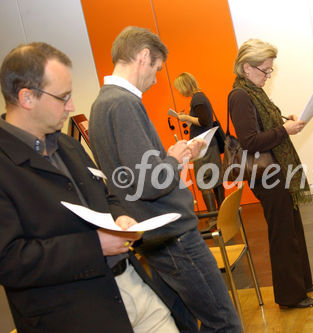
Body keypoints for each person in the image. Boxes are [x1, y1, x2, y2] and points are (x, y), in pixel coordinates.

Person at [0, 42, 189, 333]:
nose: (72, 107)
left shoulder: (67, 144)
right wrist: (95, 246)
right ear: (26, 97)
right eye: (63, 97)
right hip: (74, 314)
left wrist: (120, 219)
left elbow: (106, 193)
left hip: (133, 287)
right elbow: (10, 261)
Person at [88, 26, 242, 332]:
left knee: (180, 323)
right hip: (172, 233)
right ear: (144, 56)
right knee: (224, 323)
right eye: (157, 68)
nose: (156, 78)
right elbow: (150, 182)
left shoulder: (103, 103)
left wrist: (170, 157)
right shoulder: (123, 103)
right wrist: (174, 158)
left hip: (155, 235)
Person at [228, 38, 313, 308]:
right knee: (282, 233)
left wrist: (283, 123)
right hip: (266, 176)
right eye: (265, 70)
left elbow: (262, 125)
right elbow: (250, 141)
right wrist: (284, 131)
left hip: (277, 172)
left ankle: (300, 283)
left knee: (292, 227)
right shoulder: (240, 95)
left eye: (270, 70)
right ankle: (290, 296)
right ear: (247, 68)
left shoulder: (253, 92)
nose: (268, 75)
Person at [173, 72, 225, 214]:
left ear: (185, 86)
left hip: (203, 146)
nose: (180, 92)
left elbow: (203, 121)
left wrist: (186, 117)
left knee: (204, 180)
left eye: (179, 88)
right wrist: (189, 119)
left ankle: (213, 217)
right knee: (216, 179)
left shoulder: (197, 99)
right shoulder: (200, 97)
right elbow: (203, 122)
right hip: (209, 143)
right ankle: (221, 214)